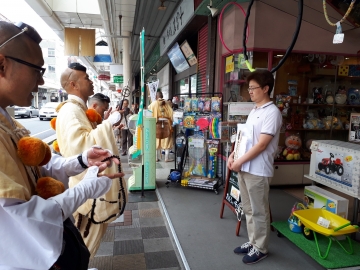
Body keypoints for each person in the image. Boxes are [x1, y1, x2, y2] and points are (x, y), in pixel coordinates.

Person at [0, 21, 121, 269]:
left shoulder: (7, 118)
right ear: (2, 64)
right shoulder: (71, 110)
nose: (41, 82)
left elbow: (39, 163)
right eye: (37, 70)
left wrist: (81, 161)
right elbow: (22, 219)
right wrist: (86, 186)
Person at [56, 63, 128, 257]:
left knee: (83, 237)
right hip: (86, 186)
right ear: (73, 84)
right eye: (86, 78)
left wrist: (107, 126)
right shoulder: (72, 110)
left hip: (85, 183)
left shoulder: (75, 109)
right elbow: (81, 147)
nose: (91, 81)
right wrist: (109, 123)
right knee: (86, 239)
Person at [227, 69, 282, 264]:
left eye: (253, 88)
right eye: (248, 88)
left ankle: (261, 247)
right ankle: (253, 241)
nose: (249, 91)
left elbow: (262, 144)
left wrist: (239, 161)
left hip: (258, 170)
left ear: (266, 88)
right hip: (245, 168)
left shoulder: (272, 113)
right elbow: (245, 139)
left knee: (259, 211)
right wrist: (233, 155)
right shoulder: (255, 110)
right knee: (248, 209)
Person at [148, 91, 174, 162]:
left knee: (156, 140)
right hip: (166, 124)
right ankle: (166, 158)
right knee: (167, 140)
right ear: (162, 96)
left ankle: (156, 158)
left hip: (156, 124)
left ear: (156, 97)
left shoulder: (153, 104)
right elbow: (171, 113)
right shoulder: (167, 103)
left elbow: (148, 113)